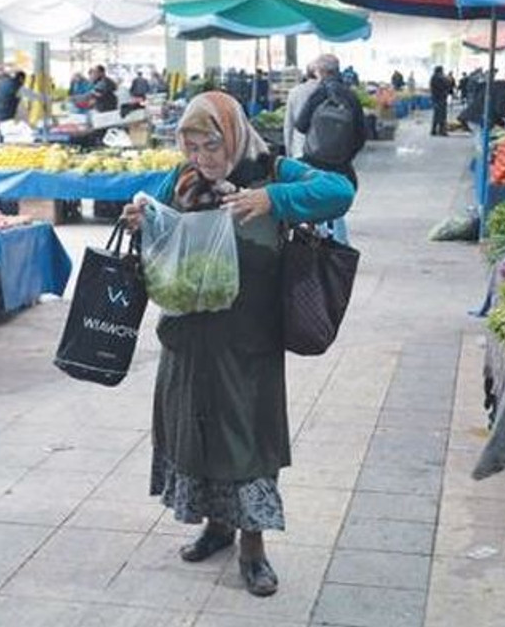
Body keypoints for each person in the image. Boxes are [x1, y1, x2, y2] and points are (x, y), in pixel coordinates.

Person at [119, 91, 354, 599]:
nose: (202, 159)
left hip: (249, 338)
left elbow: (340, 190)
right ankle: (216, 527)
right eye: (192, 147)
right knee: (196, 430)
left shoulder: (273, 169)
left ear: (234, 135)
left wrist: (273, 199)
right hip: (188, 334)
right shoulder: (182, 178)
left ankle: (253, 546)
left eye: (211, 145)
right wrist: (140, 217)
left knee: (248, 436)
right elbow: (155, 212)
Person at [295, 54, 365, 189]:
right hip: (342, 166)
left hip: (314, 163)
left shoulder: (318, 94)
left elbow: (301, 126)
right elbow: (361, 134)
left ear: (320, 72)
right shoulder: (350, 96)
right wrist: (346, 155)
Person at [283, 64, 319, 158]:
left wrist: (288, 148)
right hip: (322, 148)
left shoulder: (295, 92)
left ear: (306, 75)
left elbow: (288, 124)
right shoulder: (326, 91)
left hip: (299, 146)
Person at [429, 66, 451, 137]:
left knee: (436, 115)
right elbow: (447, 84)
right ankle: (442, 131)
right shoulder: (440, 78)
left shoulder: (433, 77)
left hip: (435, 98)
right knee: (442, 115)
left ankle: (433, 130)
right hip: (441, 98)